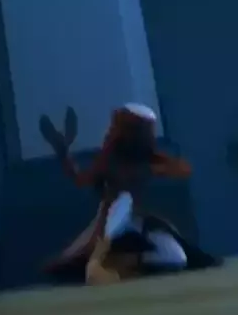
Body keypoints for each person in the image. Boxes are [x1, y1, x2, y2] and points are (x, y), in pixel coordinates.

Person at [39, 103, 210, 284]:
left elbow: (183, 169)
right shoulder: (111, 162)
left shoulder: (146, 160)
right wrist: (63, 153)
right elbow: (83, 179)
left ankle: (120, 265)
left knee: (174, 256)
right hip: (112, 218)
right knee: (119, 213)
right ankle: (103, 265)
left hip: (135, 220)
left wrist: (153, 167)